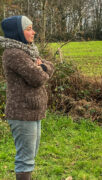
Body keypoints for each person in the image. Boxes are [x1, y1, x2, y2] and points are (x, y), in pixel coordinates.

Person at [1, 16, 54, 179]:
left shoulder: (27, 51)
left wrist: (41, 66)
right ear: (18, 32)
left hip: (33, 112)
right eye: (29, 28)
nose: (34, 32)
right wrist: (41, 68)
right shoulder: (14, 54)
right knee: (26, 160)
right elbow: (37, 78)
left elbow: (50, 67)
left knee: (30, 156)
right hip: (22, 113)